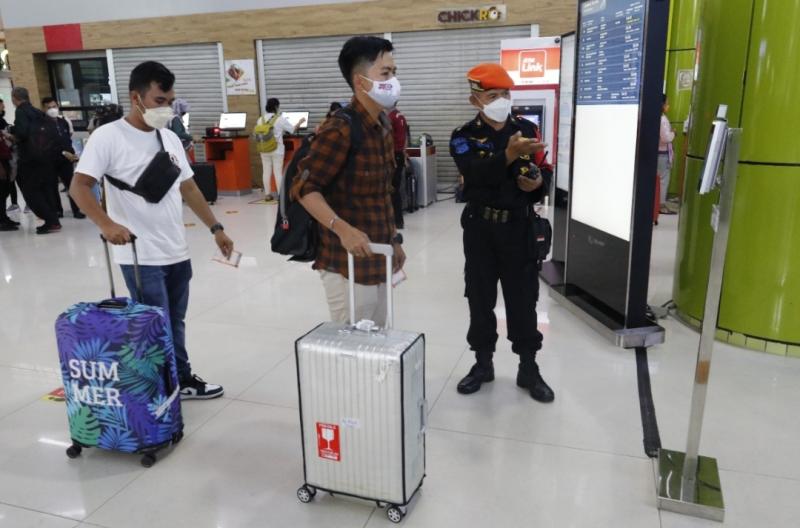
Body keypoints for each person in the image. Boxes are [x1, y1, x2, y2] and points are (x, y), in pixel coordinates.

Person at [70, 61, 234, 400]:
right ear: (136, 97)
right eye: (160, 100)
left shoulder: (170, 137)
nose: (167, 108)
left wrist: (216, 228)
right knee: (151, 327)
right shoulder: (108, 137)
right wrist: (107, 224)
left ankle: (180, 379)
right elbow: (80, 187)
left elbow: (188, 188)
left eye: (170, 101)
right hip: (139, 254)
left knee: (175, 322)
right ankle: (158, 388)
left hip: (176, 249)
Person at [449, 63, 554, 403]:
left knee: (523, 300)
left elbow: (544, 172)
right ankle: (483, 363)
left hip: (519, 228)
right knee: (480, 298)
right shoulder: (464, 136)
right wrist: (508, 155)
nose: (502, 101)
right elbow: (474, 174)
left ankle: (528, 367)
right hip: (480, 229)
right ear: (475, 99)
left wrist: (538, 183)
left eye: (506, 94)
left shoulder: (525, 128)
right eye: (493, 95)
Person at [297, 36, 405, 327]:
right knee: (353, 351)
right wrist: (342, 229)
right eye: (385, 73)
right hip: (345, 262)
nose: (393, 80)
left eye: (394, 72)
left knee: (379, 339)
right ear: (361, 82)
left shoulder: (382, 125)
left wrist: (394, 241)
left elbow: (382, 195)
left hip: (378, 257)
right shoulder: (339, 129)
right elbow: (305, 189)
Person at [10, 87, 61, 234]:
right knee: (45, 189)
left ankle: (50, 220)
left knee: (30, 191)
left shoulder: (20, 111)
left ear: (15, 98)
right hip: (45, 157)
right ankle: (54, 220)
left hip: (29, 158)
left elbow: (22, 133)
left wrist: (12, 135)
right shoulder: (37, 112)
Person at [255, 98, 305, 201]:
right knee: (277, 172)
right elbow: (291, 130)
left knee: (266, 171)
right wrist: (300, 122)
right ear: (276, 107)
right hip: (276, 149)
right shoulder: (279, 119)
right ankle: (280, 195)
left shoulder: (260, 119)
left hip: (263, 148)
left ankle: (267, 194)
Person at [42, 97, 84, 219]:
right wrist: (64, 152)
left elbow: (67, 137)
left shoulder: (63, 121)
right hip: (51, 159)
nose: (52, 109)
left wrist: (71, 152)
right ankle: (57, 210)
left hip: (67, 159)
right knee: (52, 185)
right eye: (49, 107)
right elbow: (46, 143)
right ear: (44, 108)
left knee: (71, 184)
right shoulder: (42, 124)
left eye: (54, 106)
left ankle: (76, 210)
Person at [388, 105, 409, 229]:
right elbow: (405, 136)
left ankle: (395, 221)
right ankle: (398, 221)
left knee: (392, 189)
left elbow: (389, 140)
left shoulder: (390, 117)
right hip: (400, 154)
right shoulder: (400, 116)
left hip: (394, 155)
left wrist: (391, 159)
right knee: (396, 189)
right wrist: (404, 153)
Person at [658, 94, 676, 215]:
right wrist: (673, 133)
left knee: (657, 180)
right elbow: (665, 138)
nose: (667, 105)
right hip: (662, 153)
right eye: (667, 103)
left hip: (656, 152)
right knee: (663, 180)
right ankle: (661, 205)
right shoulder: (663, 119)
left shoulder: (654, 116)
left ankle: (656, 204)